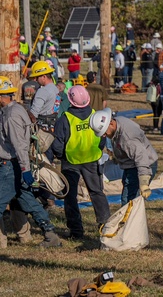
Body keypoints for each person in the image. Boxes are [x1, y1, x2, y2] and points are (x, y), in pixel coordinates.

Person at [0, 77, 63, 247]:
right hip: (16, 165)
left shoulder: (11, 116)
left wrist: (25, 168)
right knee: (28, 201)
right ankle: (51, 234)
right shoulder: (16, 109)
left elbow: (19, 145)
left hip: (11, 166)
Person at [51, 85, 110, 240]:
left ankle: (76, 231)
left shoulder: (64, 119)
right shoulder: (95, 116)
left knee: (70, 197)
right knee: (97, 193)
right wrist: (98, 150)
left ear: (70, 100)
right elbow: (102, 137)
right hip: (92, 159)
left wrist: (60, 155)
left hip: (71, 161)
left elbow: (57, 144)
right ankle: (106, 226)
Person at [90, 108, 158, 204]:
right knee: (128, 193)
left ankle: (130, 218)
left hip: (142, 166)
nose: (104, 135)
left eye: (104, 131)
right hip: (131, 165)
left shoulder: (128, 139)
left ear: (111, 124)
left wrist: (143, 182)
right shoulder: (118, 123)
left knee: (129, 200)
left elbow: (141, 158)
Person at [27, 60, 59, 128]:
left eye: (37, 77)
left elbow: (33, 113)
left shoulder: (42, 91)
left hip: (43, 128)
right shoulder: (55, 88)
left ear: (44, 77)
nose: (35, 80)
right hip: (54, 125)